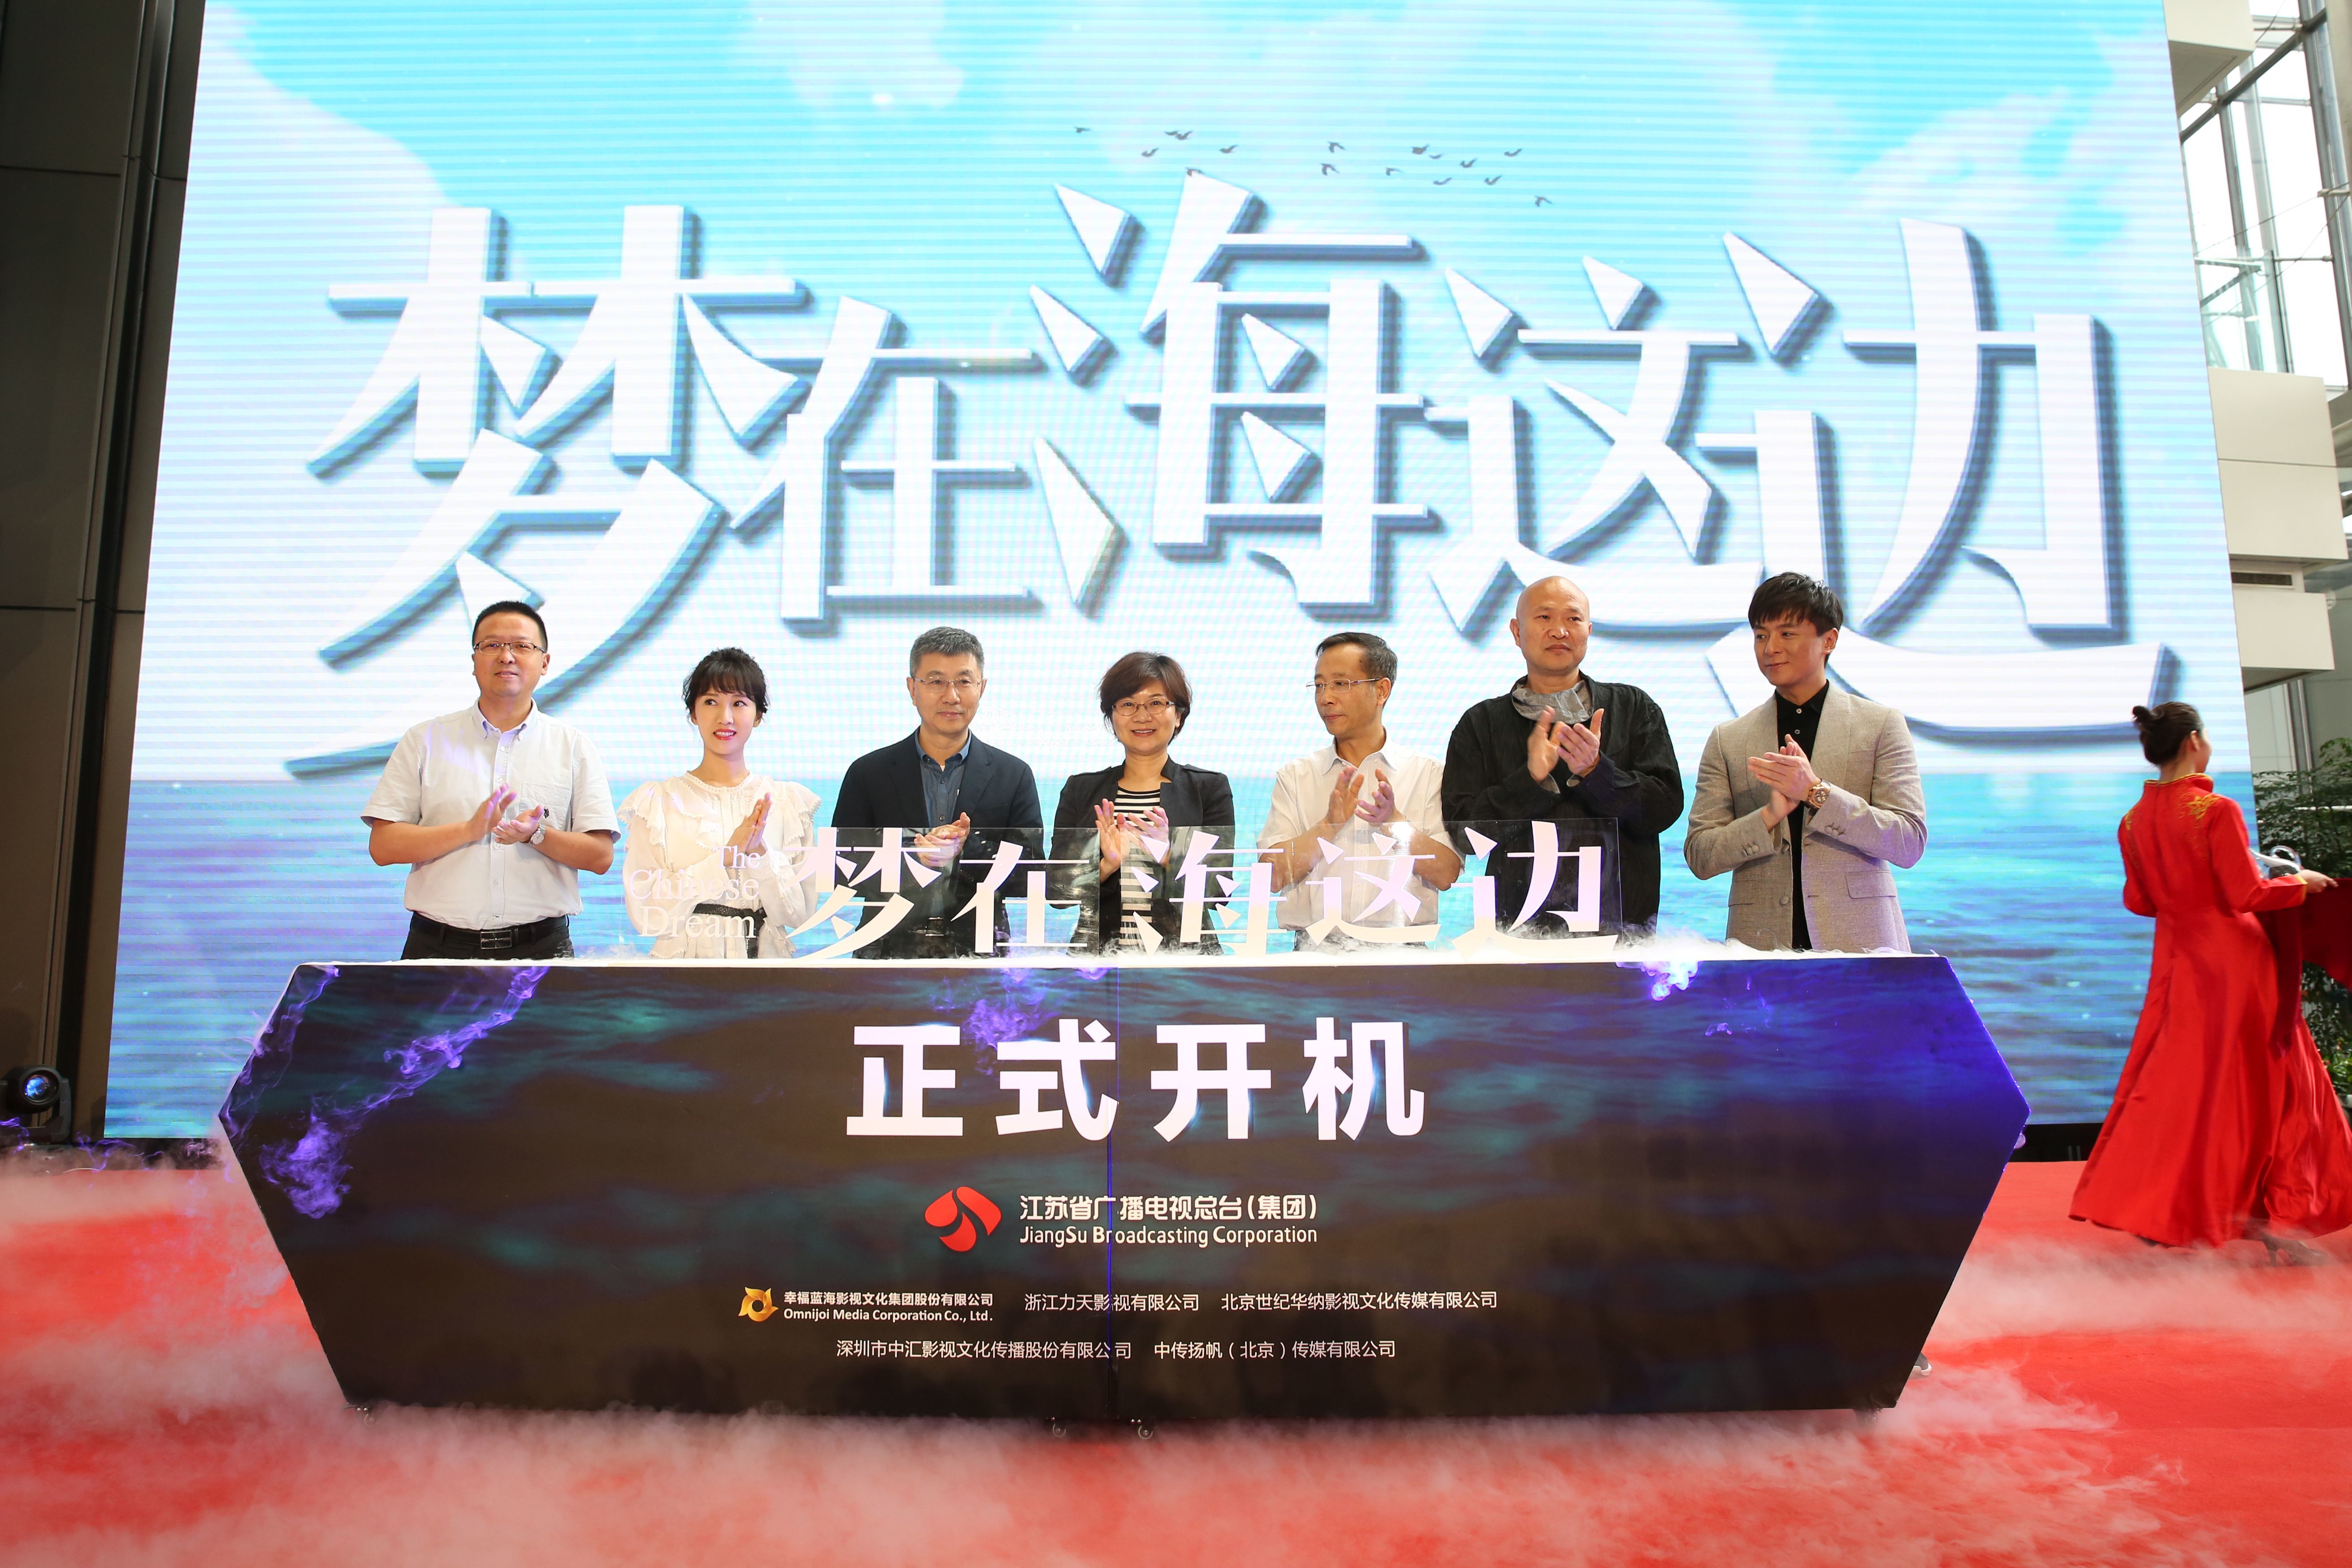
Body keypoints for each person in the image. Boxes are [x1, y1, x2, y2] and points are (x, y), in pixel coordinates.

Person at [2070, 702, 2352, 1256]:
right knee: (2276, 1085)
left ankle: (2168, 1208)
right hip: (2236, 965)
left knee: (2183, 1087)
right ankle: (2281, 1216)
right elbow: (2246, 894)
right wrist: (2301, 883)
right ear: (2194, 741)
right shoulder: (2215, 809)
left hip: (2178, 966)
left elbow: (2139, 901)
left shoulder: (2133, 821)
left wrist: (2184, 893)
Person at [1683, 573, 1927, 950]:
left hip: (1861, 940)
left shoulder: (1880, 725)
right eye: (1761, 635)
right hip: (1759, 942)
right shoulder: (1728, 739)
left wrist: (1817, 793)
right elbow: (1701, 855)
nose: (1770, 648)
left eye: (1787, 634)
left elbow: (1908, 842)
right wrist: (1768, 817)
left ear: (1829, 640)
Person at [362, 600, 617, 959]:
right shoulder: (424, 740)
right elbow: (383, 846)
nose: (506, 656)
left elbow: (601, 857)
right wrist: (468, 830)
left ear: (545, 662)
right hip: (437, 947)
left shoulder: (573, 746)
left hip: (542, 949)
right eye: (492, 645)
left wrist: (536, 835)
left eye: (522, 646)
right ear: (474, 661)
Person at [1441, 575, 1683, 932]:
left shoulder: (1633, 707)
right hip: (1516, 935)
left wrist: (1598, 772)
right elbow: (1467, 837)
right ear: (1517, 632)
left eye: (1573, 618)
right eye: (1544, 617)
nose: (1560, 631)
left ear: (1589, 631)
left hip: (1621, 934)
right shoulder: (1481, 724)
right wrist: (1530, 781)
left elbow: (1664, 810)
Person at [832, 626, 1043, 957]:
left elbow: (1031, 876)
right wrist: (913, 858)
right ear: (912, 688)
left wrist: (966, 849)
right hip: (887, 951)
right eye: (936, 681)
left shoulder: (1013, 775)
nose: (951, 696)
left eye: (964, 681)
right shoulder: (868, 773)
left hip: (980, 954)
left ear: (982, 688)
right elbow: (839, 869)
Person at [618, 648, 823, 959]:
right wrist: (725, 859)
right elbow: (645, 910)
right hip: (683, 967)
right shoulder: (658, 802)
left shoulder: (788, 802)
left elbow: (801, 914)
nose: (725, 717)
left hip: (767, 965)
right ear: (693, 713)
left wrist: (760, 853)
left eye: (739, 703)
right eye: (711, 702)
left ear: (758, 716)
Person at [1260, 632, 1461, 942]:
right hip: (1317, 955)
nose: (1326, 698)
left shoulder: (1428, 773)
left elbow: (1447, 874)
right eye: (1319, 685)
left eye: (1341, 684)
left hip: (1402, 954)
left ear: (1381, 690)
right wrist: (1329, 825)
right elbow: (1271, 877)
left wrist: (1395, 824)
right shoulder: (1296, 776)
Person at [1052, 652, 1233, 951]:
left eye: (1156, 703)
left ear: (1178, 715)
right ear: (1112, 718)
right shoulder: (1081, 790)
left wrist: (1168, 856)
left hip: (1185, 962)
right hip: (1100, 961)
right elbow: (1057, 894)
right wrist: (1105, 866)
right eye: (1127, 705)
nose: (1142, 716)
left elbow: (1219, 893)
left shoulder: (1208, 789)